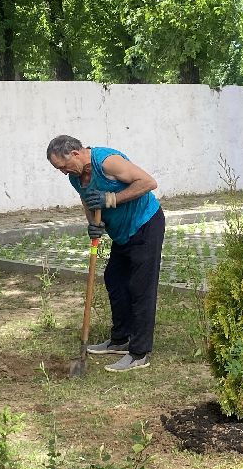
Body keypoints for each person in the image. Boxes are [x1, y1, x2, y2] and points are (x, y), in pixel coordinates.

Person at [46, 135, 164, 371]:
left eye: (63, 166)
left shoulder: (108, 162)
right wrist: (93, 224)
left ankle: (139, 353)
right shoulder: (75, 176)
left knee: (140, 287)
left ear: (76, 154)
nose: (62, 172)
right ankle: (120, 339)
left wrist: (111, 198)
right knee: (115, 280)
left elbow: (148, 183)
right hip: (121, 234)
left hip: (145, 225)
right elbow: (87, 200)